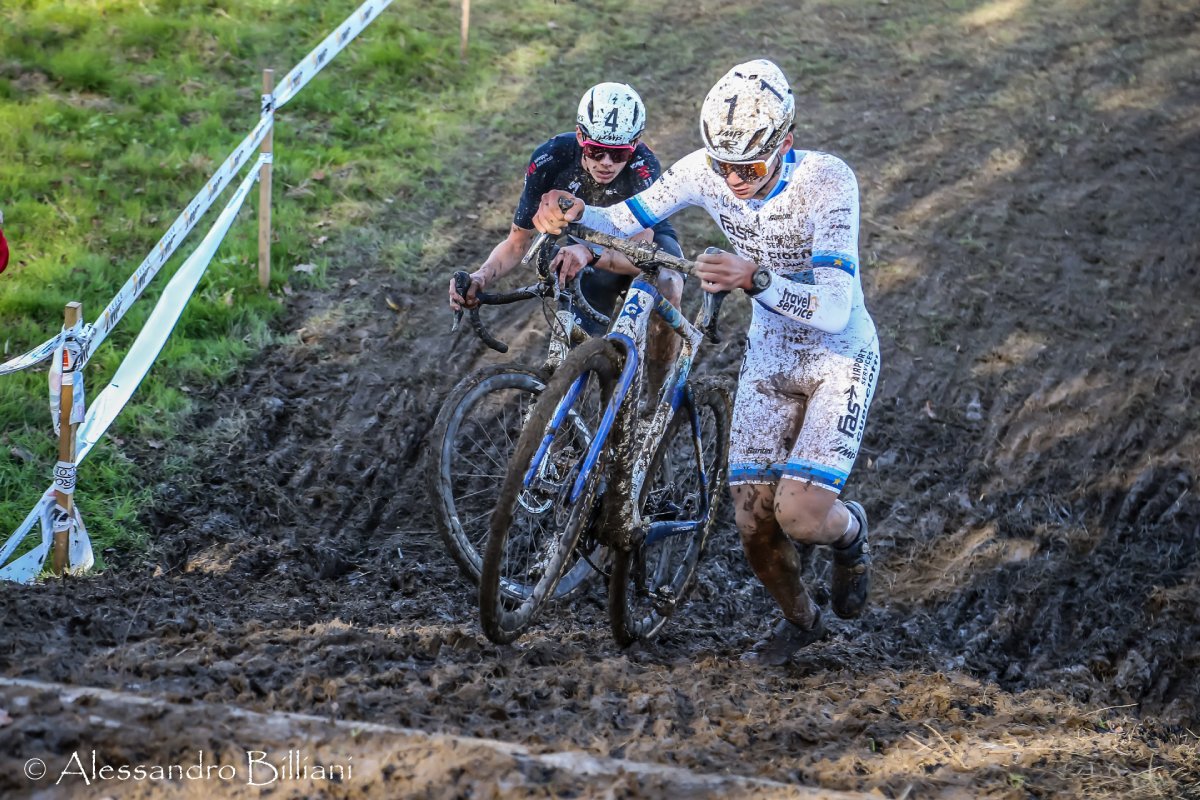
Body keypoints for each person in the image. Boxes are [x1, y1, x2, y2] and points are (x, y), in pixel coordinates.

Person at [532, 59, 880, 666]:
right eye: (723, 166)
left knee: (798, 514)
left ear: (785, 143)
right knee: (752, 523)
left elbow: (832, 305)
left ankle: (850, 535)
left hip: (838, 353)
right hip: (772, 350)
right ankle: (803, 624)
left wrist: (756, 277)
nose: (732, 179)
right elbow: (623, 219)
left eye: (747, 167)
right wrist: (572, 211)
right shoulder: (704, 170)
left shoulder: (828, 181)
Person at [448, 82, 683, 389]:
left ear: (635, 145)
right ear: (580, 136)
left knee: (667, 283)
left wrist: (589, 253)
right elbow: (517, 243)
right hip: (589, 245)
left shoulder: (643, 166)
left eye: (619, 154)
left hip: (640, 243)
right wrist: (480, 278)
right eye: (596, 151)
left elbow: (640, 255)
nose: (606, 163)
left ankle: (658, 390)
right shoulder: (551, 159)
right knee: (574, 355)